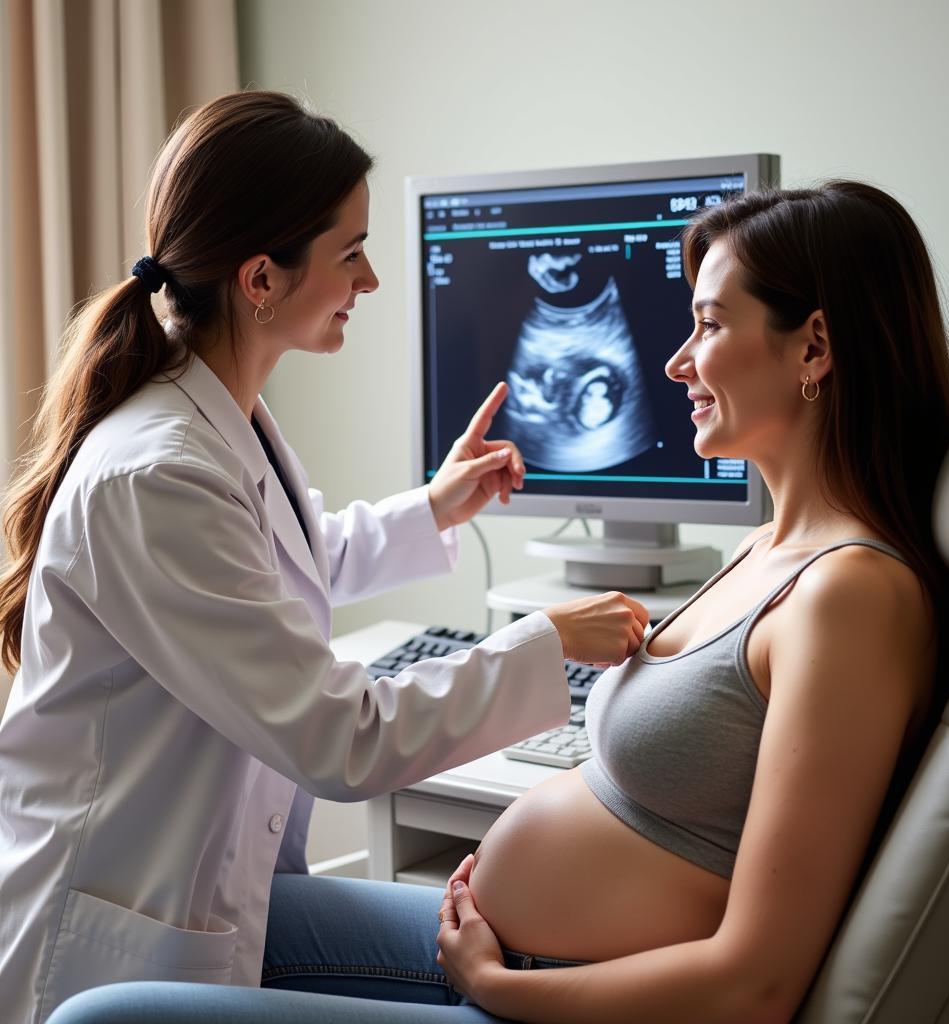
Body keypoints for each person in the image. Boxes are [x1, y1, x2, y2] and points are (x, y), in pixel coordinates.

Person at [49, 176, 949, 1024]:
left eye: (710, 326)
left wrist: (499, 986)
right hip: (515, 961)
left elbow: (757, 981)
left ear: (814, 344)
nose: (678, 363)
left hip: (541, 998)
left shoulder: (849, 597)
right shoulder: (763, 549)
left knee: (99, 1019)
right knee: (211, 923)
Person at [0, 90, 650, 1023]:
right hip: (121, 933)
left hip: (208, 900)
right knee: (511, 985)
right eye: (351, 253)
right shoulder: (158, 471)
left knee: (524, 961)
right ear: (261, 279)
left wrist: (432, 508)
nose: (372, 280)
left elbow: (275, 566)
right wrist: (544, 644)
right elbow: (340, 740)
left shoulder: (217, 418)